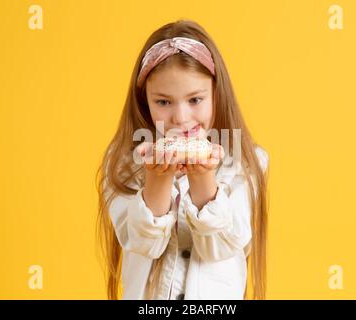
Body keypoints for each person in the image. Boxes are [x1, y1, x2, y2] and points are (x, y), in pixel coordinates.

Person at [96, 19, 269, 300]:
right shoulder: (123, 163)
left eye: (195, 100)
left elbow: (221, 248)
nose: (180, 118)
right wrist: (157, 178)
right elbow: (142, 244)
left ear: (216, 93)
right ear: (145, 101)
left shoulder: (246, 163)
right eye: (163, 102)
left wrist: (203, 179)